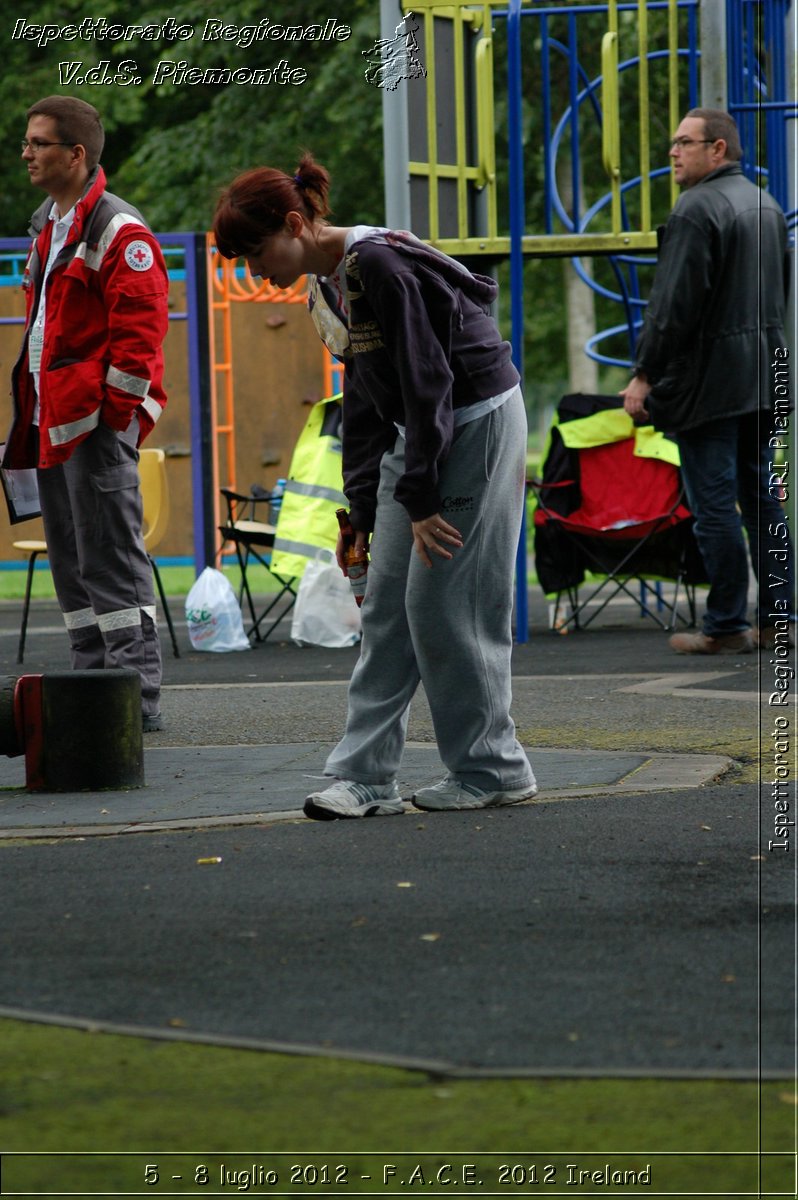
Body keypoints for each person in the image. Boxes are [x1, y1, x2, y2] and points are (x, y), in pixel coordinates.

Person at [213, 154, 537, 818]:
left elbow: (430, 383)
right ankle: (365, 777)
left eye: (256, 252)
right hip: (415, 432)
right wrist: (361, 507)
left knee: (446, 606)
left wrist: (419, 498)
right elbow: (363, 397)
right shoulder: (327, 283)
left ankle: (493, 769)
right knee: (385, 606)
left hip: (471, 425)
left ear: (297, 223)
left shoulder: (380, 266)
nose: (255, 272)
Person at [2, 96, 169, 729]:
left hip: (92, 428)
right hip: (56, 423)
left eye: (40, 143)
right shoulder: (50, 224)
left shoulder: (118, 231)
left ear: (77, 154)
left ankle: (135, 705)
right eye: (26, 141)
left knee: (111, 563)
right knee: (72, 564)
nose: (27, 153)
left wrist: (115, 417)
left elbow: (141, 335)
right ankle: (95, 698)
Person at [620, 107, 794, 655]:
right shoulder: (765, 205)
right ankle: (777, 619)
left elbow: (672, 308)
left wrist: (643, 375)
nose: (673, 152)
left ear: (717, 149)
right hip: (767, 372)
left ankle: (724, 624)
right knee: (761, 496)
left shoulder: (697, 209)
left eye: (684, 143)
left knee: (715, 505)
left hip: (713, 383)